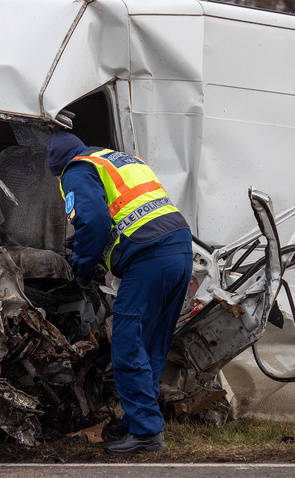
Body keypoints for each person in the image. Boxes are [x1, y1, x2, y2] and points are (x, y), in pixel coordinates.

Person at [47, 131, 193, 454]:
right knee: (150, 345)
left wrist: (82, 268)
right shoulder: (117, 159)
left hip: (148, 256)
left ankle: (145, 433)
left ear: (57, 170)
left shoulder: (75, 170)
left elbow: (94, 220)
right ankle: (136, 422)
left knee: (126, 342)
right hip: (180, 248)